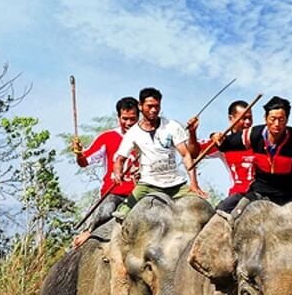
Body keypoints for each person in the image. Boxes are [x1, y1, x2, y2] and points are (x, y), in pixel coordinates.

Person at [209, 95, 292, 206]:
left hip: (291, 197)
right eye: (272, 119)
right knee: (224, 209)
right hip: (259, 194)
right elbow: (226, 144)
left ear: (287, 120)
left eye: (281, 119)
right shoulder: (254, 135)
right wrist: (215, 136)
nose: (277, 124)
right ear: (265, 118)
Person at [112, 87, 202, 219]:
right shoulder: (132, 133)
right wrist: (117, 173)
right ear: (140, 106)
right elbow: (120, 160)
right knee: (122, 214)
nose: (154, 110)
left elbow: (186, 155)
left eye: (157, 106)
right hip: (148, 184)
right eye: (150, 106)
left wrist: (194, 183)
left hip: (176, 184)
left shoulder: (172, 126)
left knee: (202, 208)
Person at [71, 96, 140, 246]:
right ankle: (89, 231)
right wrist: (78, 153)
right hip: (114, 193)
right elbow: (84, 162)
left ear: (138, 118)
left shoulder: (147, 138)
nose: (128, 123)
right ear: (118, 117)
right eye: (125, 118)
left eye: (132, 119)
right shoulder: (107, 138)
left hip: (140, 193)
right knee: (106, 210)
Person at [202, 99, 257, 213]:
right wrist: (193, 132)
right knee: (216, 219)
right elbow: (194, 152)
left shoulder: (259, 138)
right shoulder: (223, 142)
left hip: (260, 194)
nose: (247, 122)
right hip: (237, 196)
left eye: (250, 118)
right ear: (231, 119)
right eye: (243, 118)